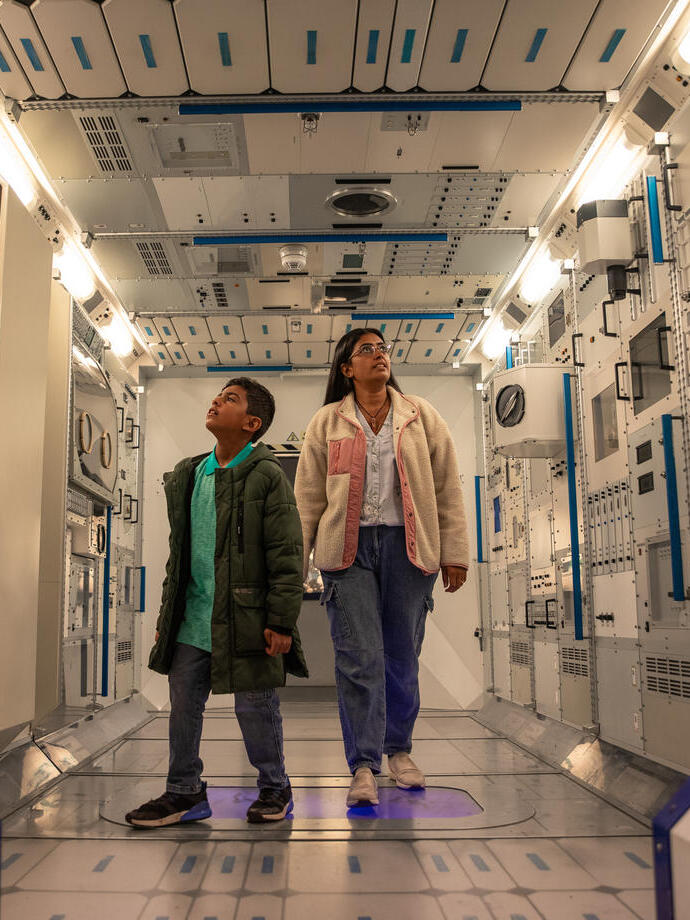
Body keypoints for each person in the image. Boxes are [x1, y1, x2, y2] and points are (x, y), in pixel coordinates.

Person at [294, 328, 468, 808]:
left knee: (401, 656)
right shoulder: (326, 422)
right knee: (359, 658)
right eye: (366, 350)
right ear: (346, 368)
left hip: (408, 550)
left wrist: (454, 551)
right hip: (346, 553)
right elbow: (307, 499)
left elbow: (447, 486)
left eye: (383, 348)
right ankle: (363, 765)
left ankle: (399, 751)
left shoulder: (421, 415)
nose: (379, 355)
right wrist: (296, 566)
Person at [126, 377, 307, 827]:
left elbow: (286, 554)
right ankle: (184, 791)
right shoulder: (189, 474)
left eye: (230, 399)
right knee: (184, 705)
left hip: (248, 617)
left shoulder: (266, 475)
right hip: (192, 617)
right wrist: (168, 616)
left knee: (255, 705)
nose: (215, 401)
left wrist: (282, 621)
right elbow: (179, 556)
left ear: (251, 423)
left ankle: (275, 787)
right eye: (218, 396)